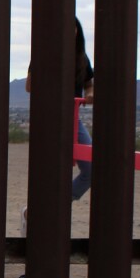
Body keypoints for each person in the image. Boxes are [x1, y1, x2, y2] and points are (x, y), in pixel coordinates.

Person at [22, 16, 95, 233]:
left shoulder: (82, 58)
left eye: (71, 28)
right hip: (48, 118)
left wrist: (90, 94)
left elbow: (90, 85)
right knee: (50, 171)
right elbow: (29, 86)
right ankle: (38, 217)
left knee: (91, 168)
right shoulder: (42, 53)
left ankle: (54, 207)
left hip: (73, 118)